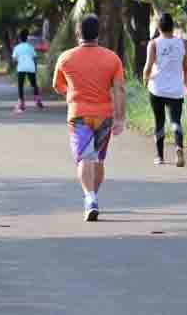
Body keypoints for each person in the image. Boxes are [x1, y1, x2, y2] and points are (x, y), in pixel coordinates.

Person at [53, 14, 125, 222]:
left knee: (85, 157)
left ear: (78, 33)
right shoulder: (112, 58)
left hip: (79, 115)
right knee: (98, 159)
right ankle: (91, 197)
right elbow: (119, 89)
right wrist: (120, 118)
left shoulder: (65, 58)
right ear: (98, 33)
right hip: (105, 116)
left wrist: (72, 92)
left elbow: (58, 86)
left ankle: (90, 198)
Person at [143, 13, 187, 167]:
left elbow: (148, 67)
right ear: (173, 27)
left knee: (159, 122)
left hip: (157, 88)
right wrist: (185, 82)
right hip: (176, 89)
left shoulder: (154, 44)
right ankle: (179, 148)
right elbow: (186, 67)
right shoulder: (182, 43)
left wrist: (145, 80)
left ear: (159, 27)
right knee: (176, 121)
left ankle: (160, 156)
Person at [12, 29, 43, 113]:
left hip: (21, 68)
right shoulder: (30, 47)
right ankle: (38, 100)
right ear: (27, 38)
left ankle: (21, 104)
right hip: (30, 67)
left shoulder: (16, 47)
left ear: (19, 38)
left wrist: (17, 63)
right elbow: (35, 58)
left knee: (20, 86)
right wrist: (35, 68)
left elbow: (14, 60)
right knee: (34, 84)